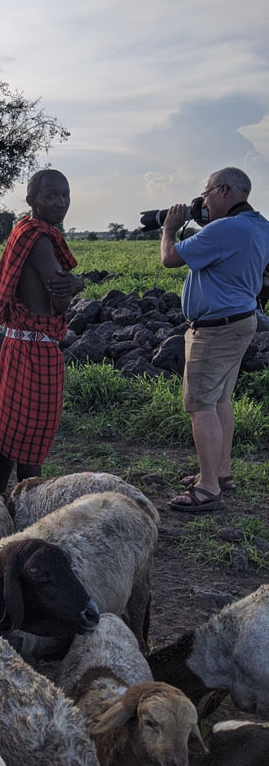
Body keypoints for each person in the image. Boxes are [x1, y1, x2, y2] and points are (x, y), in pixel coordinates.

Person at [161, 167, 269, 513]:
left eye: (206, 193)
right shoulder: (259, 226)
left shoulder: (225, 229)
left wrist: (168, 229)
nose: (202, 200)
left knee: (199, 404)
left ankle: (207, 488)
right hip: (242, 319)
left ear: (223, 190)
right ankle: (221, 472)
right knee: (221, 398)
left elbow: (170, 258)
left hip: (214, 328)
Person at [0, 169, 85, 494]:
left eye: (65, 195)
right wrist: (77, 283)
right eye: (51, 196)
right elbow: (59, 302)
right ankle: (27, 511)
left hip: (16, 342)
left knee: (10, 431)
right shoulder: (41, 239)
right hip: (37, 350)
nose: (60, 202)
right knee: (31, 439)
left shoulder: (22, 230)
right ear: (32, 200)